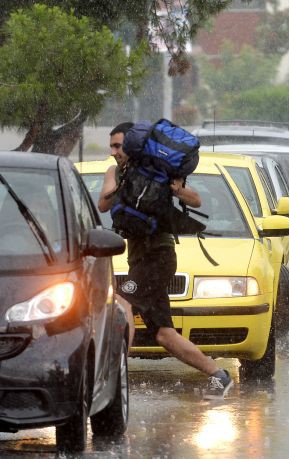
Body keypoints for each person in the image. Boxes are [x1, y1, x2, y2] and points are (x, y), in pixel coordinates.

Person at [99, 122, 233, 400]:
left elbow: (195, 200)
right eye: (111, 146)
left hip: (158, 256)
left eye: (118, 146)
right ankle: (219, 375)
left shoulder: (160, 173)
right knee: (164, 334)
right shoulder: (116, 172)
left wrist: (175, 189)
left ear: (133, 145)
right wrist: (121, 185)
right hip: (140, 258)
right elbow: (103, 204)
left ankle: (114, 378)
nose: (114, 152)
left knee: (122, 304)